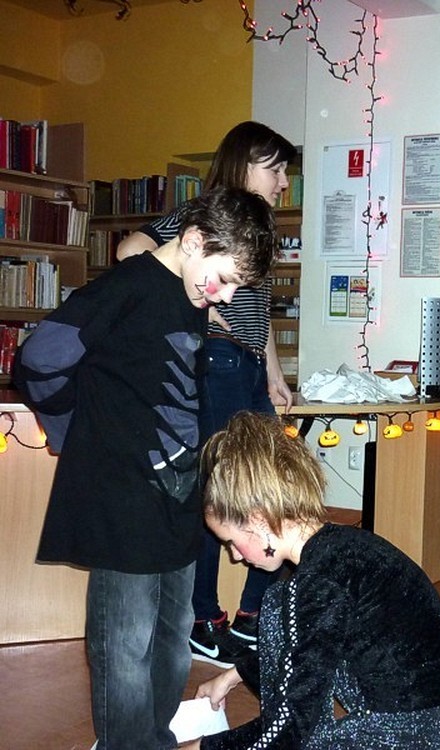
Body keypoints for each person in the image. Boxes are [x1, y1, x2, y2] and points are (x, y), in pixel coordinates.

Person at [14, 188, 279, 749]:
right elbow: (40, 357)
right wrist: (69, 431)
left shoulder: (192, 294)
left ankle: (153, 739)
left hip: (178, 497)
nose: (227, 296)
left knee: (171, 637)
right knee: (125, 643)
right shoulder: (129, 286)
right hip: (122, 497)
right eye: (225, 279)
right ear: (193, 241)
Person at [178, 411, 440, 749]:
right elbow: (313, 649)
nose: (235, 555)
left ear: (258, 520)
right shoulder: (343, 546)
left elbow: (288, 732)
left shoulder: (317, 585)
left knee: (281, 624)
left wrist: (200, 747)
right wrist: (233, 675)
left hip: (412, 736)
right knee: (279, 609)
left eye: (231, 541)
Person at [119, 121, 298, 666]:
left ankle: (252, 615)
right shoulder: (206, 213)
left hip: (247, 365)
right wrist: (196, 303)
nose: (283, 182)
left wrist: (274, 372)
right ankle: (201, 619)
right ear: (244, 163)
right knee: (217, 490)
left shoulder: (256, 225)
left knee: (270, 487)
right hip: (216, 362)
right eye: (275, 169)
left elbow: (259, 312)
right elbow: (131, 251)